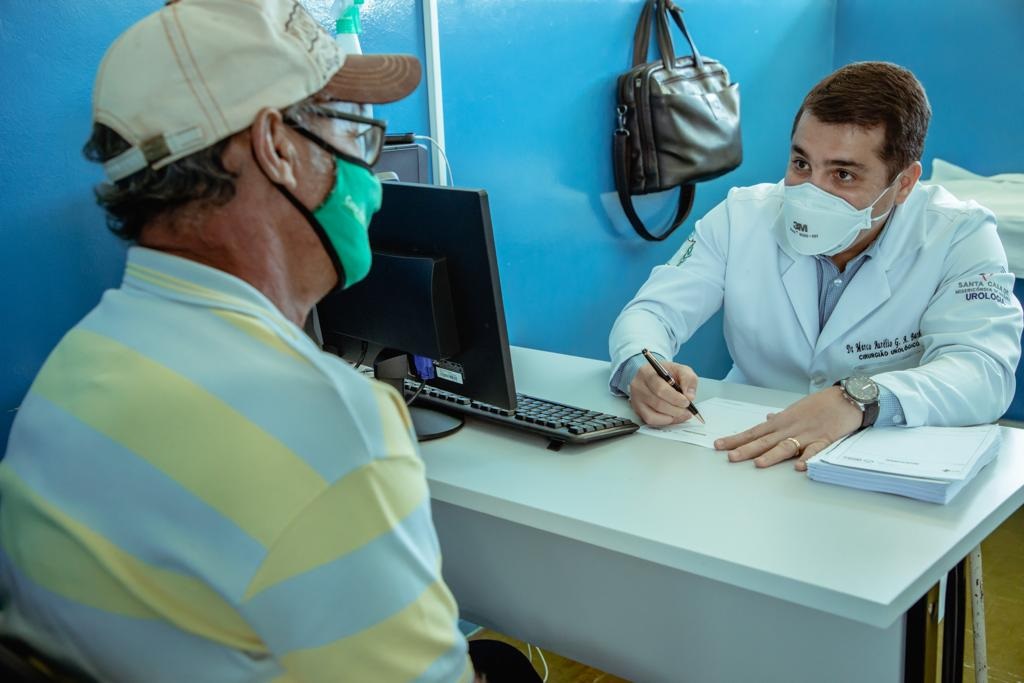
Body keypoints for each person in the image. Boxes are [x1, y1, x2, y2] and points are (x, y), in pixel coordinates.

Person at [0, 1, 539, 681]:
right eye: (351, 130)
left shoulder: (70, 373)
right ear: (276, 147)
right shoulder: (328, 426)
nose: (371, 182)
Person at [609, 61, 1023, 470]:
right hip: (748, 443)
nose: (812, 192)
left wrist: (859, 400)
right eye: (802, 164)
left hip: (885, 460)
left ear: (904, 184)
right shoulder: (742, 216)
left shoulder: (959, 235)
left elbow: (984, 373)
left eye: (843, 174)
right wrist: (641, 368)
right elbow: (652, 313)